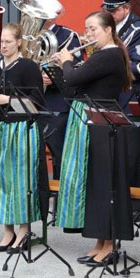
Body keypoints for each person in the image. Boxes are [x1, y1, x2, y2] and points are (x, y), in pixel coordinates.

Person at [53, 11, 136, 266]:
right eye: (86, 29)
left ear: (109, 30)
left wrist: (67, 61)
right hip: (92, 120)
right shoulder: (100, 56)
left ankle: (109, 244)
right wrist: (58, 68)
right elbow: (70, 87)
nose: (87, 34)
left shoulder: (109, 55)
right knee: (93, 183)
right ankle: (100, 241)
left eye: (93, 29)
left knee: (103, 183)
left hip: (103, 123)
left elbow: (74, 77)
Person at [0, 22, 48, 253]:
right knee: (1, 183)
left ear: (19, 42)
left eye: (8, 41)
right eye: (1, 42)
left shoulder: (28, 66)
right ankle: (8, 231)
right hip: (0, 129)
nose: (4, 46)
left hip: (22, 129)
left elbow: (37, 104)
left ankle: (24, 230)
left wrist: (8, 100)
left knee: (21, 182)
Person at [100, 0, 140, 200]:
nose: (109, 13)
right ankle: (117, 199)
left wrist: (107, 64)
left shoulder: (139, 30)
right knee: (116, 155)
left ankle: (134, 204)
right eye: (106, 9)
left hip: (133, 99)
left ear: (126, 9)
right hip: (114, 98)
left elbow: (139, 68)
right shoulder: (111, 29)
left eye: (113, 10)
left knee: (132, 157)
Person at [38, 14, 82, 180]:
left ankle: (60, 195)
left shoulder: (67, 36)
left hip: (57, 103)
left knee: (59, 153)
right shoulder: (27, 36)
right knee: (36, 153)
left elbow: (75, 69)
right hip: (35, 102)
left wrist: (54, 77)